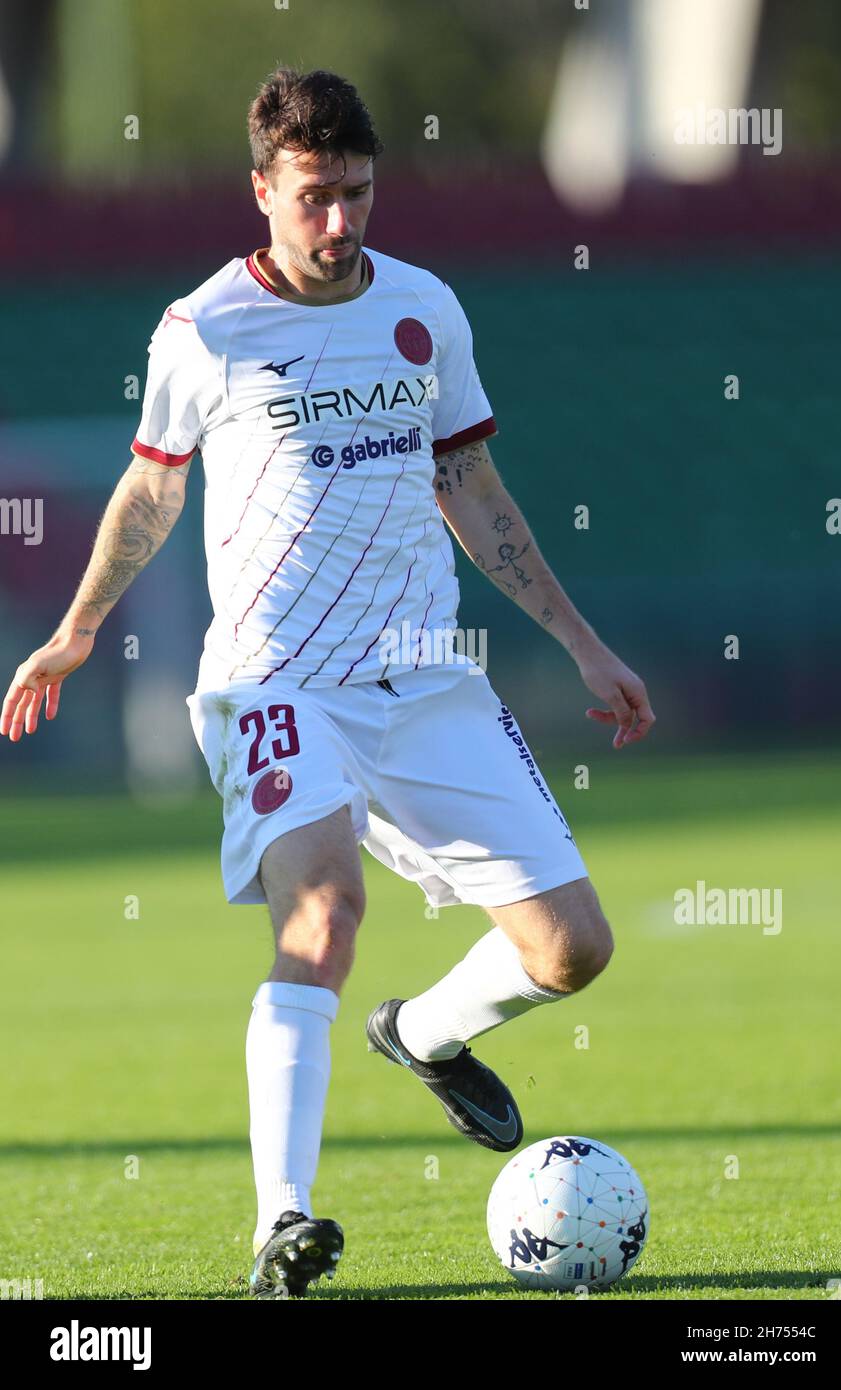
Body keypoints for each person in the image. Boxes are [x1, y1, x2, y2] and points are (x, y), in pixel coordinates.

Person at [0, 68, 655, 1299]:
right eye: (313, 196)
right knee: (322, 915)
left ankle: (420, 1033)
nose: (338, 220)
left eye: (355, 192)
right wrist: (80, 629)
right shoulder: (206, 328)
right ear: (263, 192)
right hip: (273, 686)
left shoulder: (423, 310)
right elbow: (150, 489)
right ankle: (283, 1223)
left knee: (571, 949)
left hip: (422, 683)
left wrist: (579, 641)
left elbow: (472, 488)